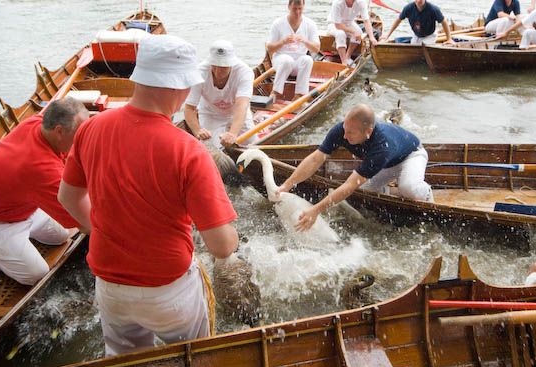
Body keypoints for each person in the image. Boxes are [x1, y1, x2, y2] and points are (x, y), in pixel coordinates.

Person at [58, 35, 239, 356]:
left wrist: (100, 230)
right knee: (191, 363)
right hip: (168, 290)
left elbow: (68, 197)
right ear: (178, 86)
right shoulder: (190, 152)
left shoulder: (90, 129)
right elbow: (222, 246)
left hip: (110, 287)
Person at [0, 98, 88, 286]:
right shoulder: (41, 169)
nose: (82, 141)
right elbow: (86, 224)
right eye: (79, 135)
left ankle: (15, 247)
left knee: (61, 235)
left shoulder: (36, 123)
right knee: (36, 275)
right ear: (59, 131)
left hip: (20, 205)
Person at [275, 104, 433, 232]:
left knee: (409, 188)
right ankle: (397, 191)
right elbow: (316, 159)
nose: (344, 136)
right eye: (345, 128)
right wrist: (286, 185)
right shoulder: (341, 131)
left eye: (350, 132)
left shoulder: (381, 147)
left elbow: (350, 184)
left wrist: (315, 210)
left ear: (368, 132)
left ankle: (424, 192)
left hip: (411, 155)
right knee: (364, 191)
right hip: (385, 164)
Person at [184, 39, 255, 148]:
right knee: (211, 149)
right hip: (210, 113)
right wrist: (198, 131)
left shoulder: (245, 72)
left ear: (231, 64)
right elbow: (189, 108)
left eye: (223, 67)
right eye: (214, 65)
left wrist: (233, 133)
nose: (218, 71)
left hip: (236, 111)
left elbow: (242, 105)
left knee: (251, 144)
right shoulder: (199, 72)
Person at [266, 0, 320, 101]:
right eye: (295, 9)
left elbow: (316, 49)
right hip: (280, 61)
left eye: (300, 9)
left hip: (298, 64)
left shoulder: (310, 24)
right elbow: (269, 48)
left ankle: (299, 96)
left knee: (308, 59)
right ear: (289, 7)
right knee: (287, 60)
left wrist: (305, 41)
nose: (297, 12)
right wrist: (283, 42)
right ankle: (275, 93)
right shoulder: (278, 23)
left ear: (303, 7)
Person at [326, 0, 379, 68]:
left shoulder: (361, 2)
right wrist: (353, 32)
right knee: (341, 34)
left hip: (349, 23)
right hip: (333, 24)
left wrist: (372, 37)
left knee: (359, 32)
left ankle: (348, 56)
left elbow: (366, 21)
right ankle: (344, 62)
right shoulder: (337, 2)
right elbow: (338, 25)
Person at [379, 0, 454, 45]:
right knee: (413, 50)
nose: (418, 1)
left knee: (424, 50)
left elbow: (444, 22)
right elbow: (398, 20)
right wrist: (388, 35)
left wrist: (449, 39)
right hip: (416, 35)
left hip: (429, 36)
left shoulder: (433, 9)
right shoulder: (408, 8)